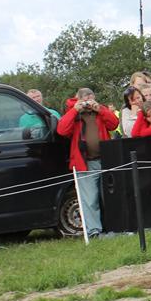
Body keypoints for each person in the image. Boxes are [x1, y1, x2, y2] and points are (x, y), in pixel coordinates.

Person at [57, 88, 119, 239]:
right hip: (85, 163)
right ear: (78, 99)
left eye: (91, 99)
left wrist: (101, 109)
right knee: (90, 200)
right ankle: (94, 232)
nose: (88, 103)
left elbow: (114, 124)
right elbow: (62, 130)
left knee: (110, 197)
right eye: (85, 100)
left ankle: (114, 228)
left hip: (105, 160)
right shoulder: (73, 113)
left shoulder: (99, 111)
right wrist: (74, 110)